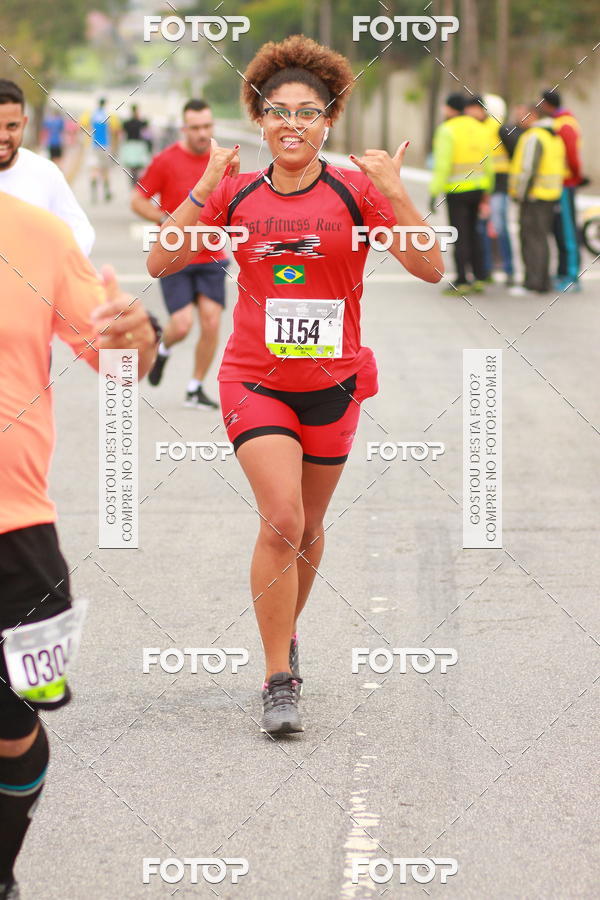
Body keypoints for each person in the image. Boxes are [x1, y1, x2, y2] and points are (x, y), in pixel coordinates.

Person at [147, 35, 444, 735]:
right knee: (281, 517)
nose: (292, 124)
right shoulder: (236, 190)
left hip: (334, 382)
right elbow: (161, 260)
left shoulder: (355, 189)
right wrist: (202, 185)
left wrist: (397, 193)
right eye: (278, 111)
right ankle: (279, 675)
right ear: (256, 117)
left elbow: (431, 269)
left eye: (308, 113)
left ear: (329, 119)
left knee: (309, 528)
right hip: (256, 378)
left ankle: (285, 637)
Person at [0, 190, 160, 900]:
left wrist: (139, 337)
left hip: (15, 527)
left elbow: (117, 361)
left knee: (16, 721)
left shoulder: (36, 234)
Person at [132, 99, 229, 409]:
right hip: (175, 254)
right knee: (183, 324)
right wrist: (164, 220)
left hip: (212, 254)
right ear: (184, 128)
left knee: (212, 322)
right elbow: (138, 200)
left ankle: (195, 386)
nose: (202, 133)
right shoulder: (165, 160)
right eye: (196, 127)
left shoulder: (222, 160)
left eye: (207, 126)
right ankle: (163, 348)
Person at [0, 80, 94, 256]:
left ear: (23, 123)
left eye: (11, 126)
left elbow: (81, 230)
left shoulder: (45, 172)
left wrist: (58, 269)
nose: (3, 136)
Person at [430, 92, 494, 295]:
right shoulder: (480, 128)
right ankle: (479, 278)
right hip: (479, 188)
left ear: (451, 109)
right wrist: (488, 190)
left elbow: (443, 164)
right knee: (475, 232)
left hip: (457, 191)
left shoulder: (447, 130)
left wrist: (434, 192)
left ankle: (462, 279)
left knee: (460, 234)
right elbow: (489, 161)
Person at [508, 104, 565, 295]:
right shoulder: (553, 135)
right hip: (550, 194)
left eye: (521, 115)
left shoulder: (534, 136)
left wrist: (520, 194)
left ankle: (533, 282)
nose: (517, 118)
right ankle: (542, 281)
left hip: (533, 196)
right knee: (541, 238)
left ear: (532, 115)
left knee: (531, 238)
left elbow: (528, 169)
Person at [465, 94, 515, 286]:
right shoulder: (477, 128)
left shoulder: (501, 129)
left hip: (500, 184)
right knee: (482, 228)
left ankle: (509, 269)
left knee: (500, 226)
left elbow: (513, 154)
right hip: (483, 185)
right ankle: (485, 270)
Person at [539, 89, 583, 292]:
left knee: (567, 231)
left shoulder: (564, 125)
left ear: (548, 104)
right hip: (559, 184)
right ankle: (563, 272)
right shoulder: (559, 122)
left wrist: (575, 177)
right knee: (559, 231)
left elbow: (573, 157)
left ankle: (572, 276)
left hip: (565, 184)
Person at [79, 97, 120, 203]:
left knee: (94, 169)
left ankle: (94, 190)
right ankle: (106, 191)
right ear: (105, 104)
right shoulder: (110, 116)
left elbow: (81, 126)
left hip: (92, 145)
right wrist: (115, 146)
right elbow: (115, 131)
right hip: (105, 145)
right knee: (105, 169)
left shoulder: (89, 114)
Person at [120, 104, 151, 184]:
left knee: (132, 166)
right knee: (138, 165)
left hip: (130, 145)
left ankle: (134, 180)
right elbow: (146, 125)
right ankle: (137, 180)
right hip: (138, 145)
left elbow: (122, 131)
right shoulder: (140, 122)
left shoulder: (127, 123)